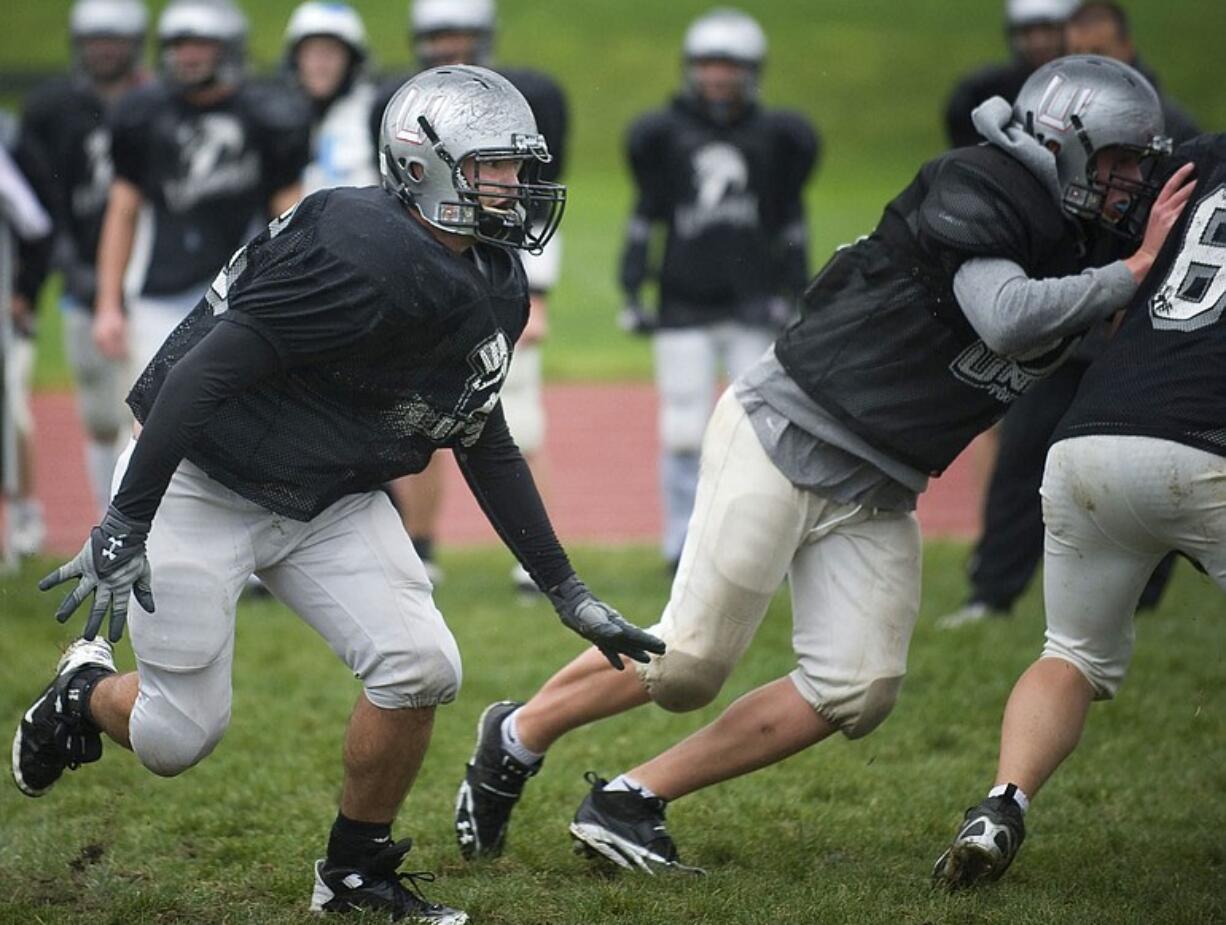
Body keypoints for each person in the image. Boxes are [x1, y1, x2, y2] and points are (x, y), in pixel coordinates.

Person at [452, 55, 1193, 872]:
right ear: (1062, 143)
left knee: (858, 685)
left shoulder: (1091, 232)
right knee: (690, 663)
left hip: (884, 482)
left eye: (1137, 163)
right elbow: (1008, 317)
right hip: (790, 429)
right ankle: (516, 735)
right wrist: (1126, 274)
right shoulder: (983, 183)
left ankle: (631, 799)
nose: (1129, 181)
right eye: (1117, 160)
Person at [10, 65, 663, 923]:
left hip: (328, 495)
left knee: (422, 665)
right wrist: (126, 519)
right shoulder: (355, 244)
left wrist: (566, 589)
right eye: (495, 166)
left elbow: (481, 435)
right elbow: (202, 376)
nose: (518, 185)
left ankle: (353, 873)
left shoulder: (495, 279)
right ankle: (83, 693)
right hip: (207, 482)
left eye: (518, 165)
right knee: (178, 738)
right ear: (425, 166)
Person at [931, 134, 1220, 890]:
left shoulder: (1201, 157)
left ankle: (1001, 805)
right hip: (1207, 444)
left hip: (1092, 437)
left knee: (1072, 653)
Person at [936, 0, 1200, 629]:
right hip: (1058, 320)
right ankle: (992, 592)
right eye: (1075, 55)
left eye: (1103, 55)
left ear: (1129, 50)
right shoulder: (1047, 129)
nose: (1090, 69)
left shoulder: (1175, 132)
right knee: (1024, 451)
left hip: (1134, 329)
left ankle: (1143, 600)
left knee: (1148, 460)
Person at [374, 0, 570, 591]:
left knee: (520, 423)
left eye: (460, 32)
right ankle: (420, 544)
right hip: (427, 272)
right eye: (438, 35)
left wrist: (539, 293)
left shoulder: (518, 98)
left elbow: (530, 194)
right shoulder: (401, 102)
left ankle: (533, 558)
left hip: (499, 271)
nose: (449, 45)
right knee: (416, 416)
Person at [618, 7, 819, 570]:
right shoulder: (663, 135)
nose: (717, 78)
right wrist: (633, 290)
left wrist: (795, 291)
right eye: (708, 65)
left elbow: (790, 221)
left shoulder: (778, 137)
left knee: (762, 430)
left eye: (729, 66)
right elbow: (645, 217)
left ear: (752, 70)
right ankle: (680, 543)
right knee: (684, 426)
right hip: (683, 300)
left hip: (754, 303)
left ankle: (759, 540)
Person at [93, 0, 308, 382]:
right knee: (151, 418)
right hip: (160, 291)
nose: (187, 55)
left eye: (200, 45)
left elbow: (290, 215)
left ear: (229, 46)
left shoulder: (265, 115)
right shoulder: (143, 115)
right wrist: (108, 303)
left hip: (242, 289)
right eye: (179, 45)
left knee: (235, 418)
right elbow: (122, 211)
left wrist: (298, 289)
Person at [10, 0, 148, 528]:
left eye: (115, 38)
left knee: (141, 412)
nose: (105, 49)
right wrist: (64, 263)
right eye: (95, 39)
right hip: (79, 280)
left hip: (146, 280)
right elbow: (38, 197)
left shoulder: (155, 103)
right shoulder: (51, 110)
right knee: (96, 412)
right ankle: (103, 520)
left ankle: (136, 524)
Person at [944, 0, 1076, 149]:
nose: (1038, 42)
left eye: (1048, 30)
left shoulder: (1087, 85)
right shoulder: (980, 93)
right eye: (1027, 32)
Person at [1065, 1, 1200, 143]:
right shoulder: (1057, 117)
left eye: (1098, 53)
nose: (1086, 65)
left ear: (1127, 48)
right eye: (1077, 53)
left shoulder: (1169, 124)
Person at [284, 1, 379, 196]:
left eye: (330, 52)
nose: (319, 64)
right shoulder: (279, 115)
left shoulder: (374, 113)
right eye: (310, 53)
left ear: (352, 61)